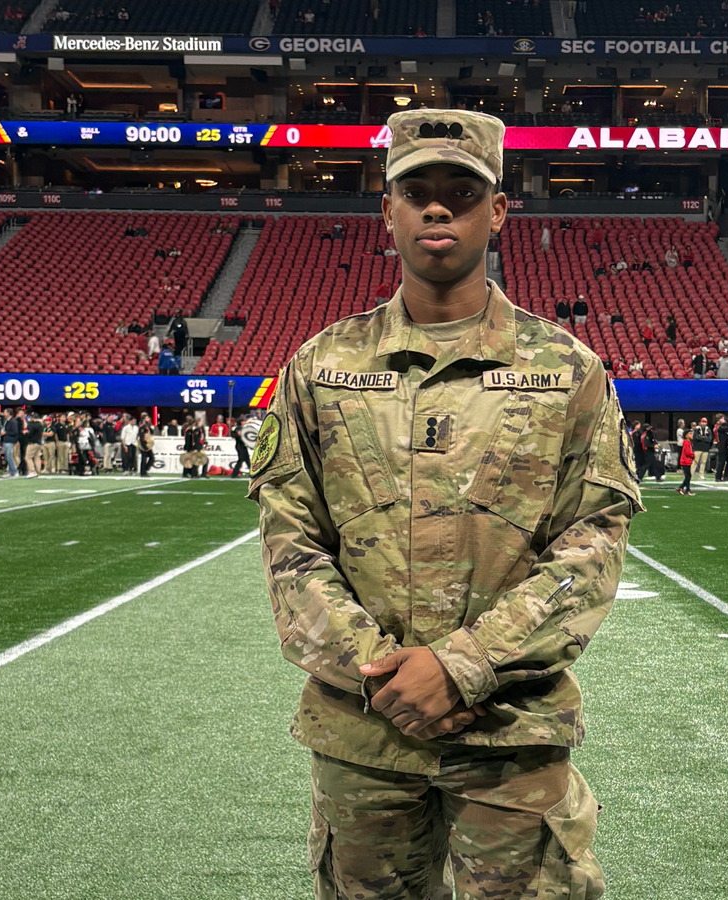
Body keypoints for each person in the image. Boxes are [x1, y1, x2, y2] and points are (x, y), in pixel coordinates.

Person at [248, 108, 637, 900]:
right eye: (415, 191)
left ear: (498, 212)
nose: (436, 208)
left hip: (509, 737)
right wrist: (383, 677)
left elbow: (591, 549)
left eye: (462, 192)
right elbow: (291, 545)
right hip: (365, 736)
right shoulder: (320, 366)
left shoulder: (568, 368)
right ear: (386, 210)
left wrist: (462, 667)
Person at [0, 407, 21, 477]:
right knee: (7, 457)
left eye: (5, 412)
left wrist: (5, 433)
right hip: (6, 440)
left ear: (8, 413)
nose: (4, 414)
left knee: (9, 457)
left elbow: (15, 432)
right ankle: (10, 472)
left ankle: (15, 471)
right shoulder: (7, 421)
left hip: (10, 441)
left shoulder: (13, 421)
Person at [677, 430, 695, 495]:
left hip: (686, 461)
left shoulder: (687, 442)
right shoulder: (687, 443)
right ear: (686, 435)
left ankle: (684, 488)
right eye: (690, 434)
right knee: (688, 476)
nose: (691, 435)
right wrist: (693, 455)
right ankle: (686, 489)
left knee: (688, 476)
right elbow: (688, 452)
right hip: (685, 461)